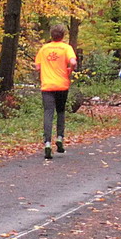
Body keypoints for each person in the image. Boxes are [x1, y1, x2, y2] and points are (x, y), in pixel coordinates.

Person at [34, 24, 77, 160]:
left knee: (48, 113)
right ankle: (59, 138)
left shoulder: (44, 49)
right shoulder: (66, 48)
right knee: (61, 111)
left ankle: (47, 143)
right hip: (62, 85)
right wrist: (70, 69)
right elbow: (73, 62)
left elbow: (37, 67)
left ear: (51, 35)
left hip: (47, 86)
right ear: (63, 35)